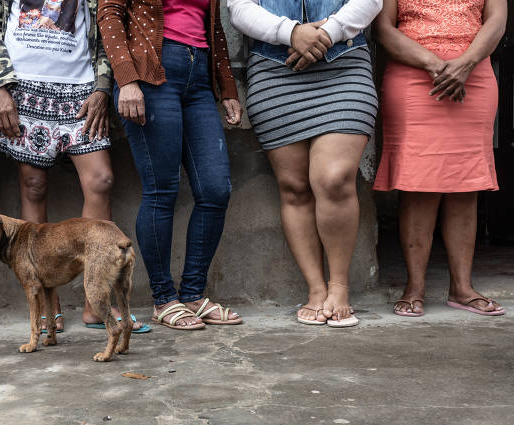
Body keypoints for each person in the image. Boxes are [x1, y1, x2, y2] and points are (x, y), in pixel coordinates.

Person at [0, 0, 149, 334]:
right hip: (25, 88)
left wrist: (103, 87)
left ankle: (95, 302)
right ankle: (46, 301)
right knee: (33, 186)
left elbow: (105, 29)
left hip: (81, 89)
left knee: (101, 179)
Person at [228, 0, 383, 327]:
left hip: (343, 63)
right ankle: (316, 289)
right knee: (295, 187)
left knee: (334, 179)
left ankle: (339, 287)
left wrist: (325, 33)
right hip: (275, 68)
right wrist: (292, 33)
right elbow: (239, 8)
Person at [97, 0, 243, 330]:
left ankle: (192, 293)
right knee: (162, 190)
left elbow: (213, 25)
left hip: (199, 78)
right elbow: (110, 14)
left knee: (215, 189)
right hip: (151, 72)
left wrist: (227, 85)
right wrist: (127, 77)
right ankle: (163, 299)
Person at [373, 0, 506, 317]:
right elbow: (382, 28)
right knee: (418, 183)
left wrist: (466, 63)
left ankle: (462, 288)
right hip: (413, 74)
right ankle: (414, 287)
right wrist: (436, 65)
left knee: (466, 182)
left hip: (474, 75)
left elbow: (497, 21)